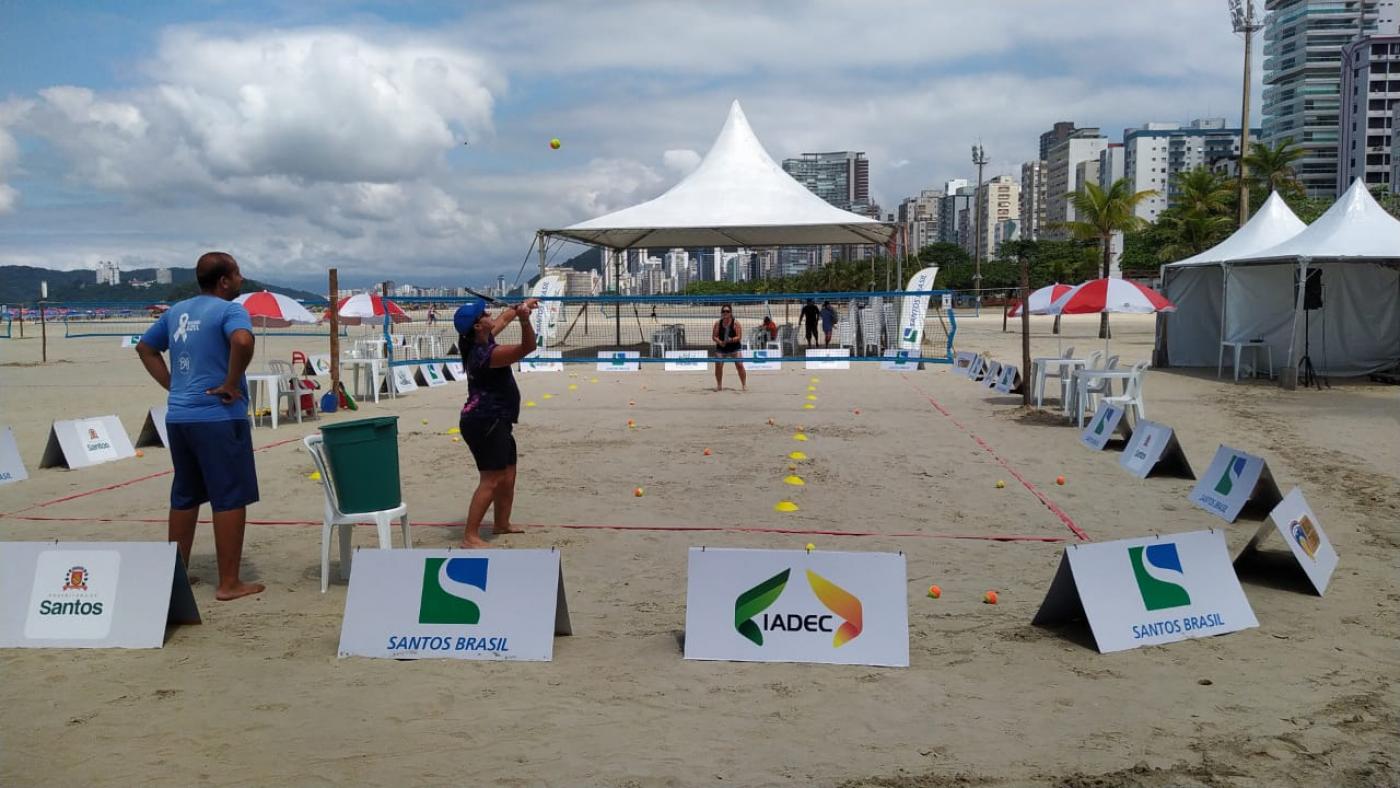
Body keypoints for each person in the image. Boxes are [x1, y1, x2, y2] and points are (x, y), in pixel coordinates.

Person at [135, 252, 263, 601]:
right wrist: (232, 381)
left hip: (179, 417)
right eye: (237, 273)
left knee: (185, 495)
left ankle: (174, 576)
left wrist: (173, 385)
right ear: (224, 281)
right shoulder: (230, 310)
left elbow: (145, 348)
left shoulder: (177, 310)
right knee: (230, 496)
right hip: (218, 416)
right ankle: (229, 583)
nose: (240, 278)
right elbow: (242, 341)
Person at [456, 296, 540, 548]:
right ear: (477, 327)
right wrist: (525, 321)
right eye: (484, 314)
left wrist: (518, 307)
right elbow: (527, 348)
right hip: (484, 421)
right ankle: (470, 536)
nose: (489, 314)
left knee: (508, 474)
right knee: (491, 479)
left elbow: (503, 318)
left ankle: (501, 523)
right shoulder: (484, 354)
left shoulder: (480, 338)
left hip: (497, 420)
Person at [711, 304, 747, 392]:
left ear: (731, 313)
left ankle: (744, 385)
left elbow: (739, 337)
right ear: (721, 313)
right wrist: (720, 342)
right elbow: (714, 336)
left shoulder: (736, 323)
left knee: (739, 365)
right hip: (721, 347)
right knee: (718, 366)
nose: (725, 313)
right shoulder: (718, 323)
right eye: (723, 311)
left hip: (734, 347)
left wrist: (730, 340)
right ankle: (719, 385)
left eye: (727, 311)